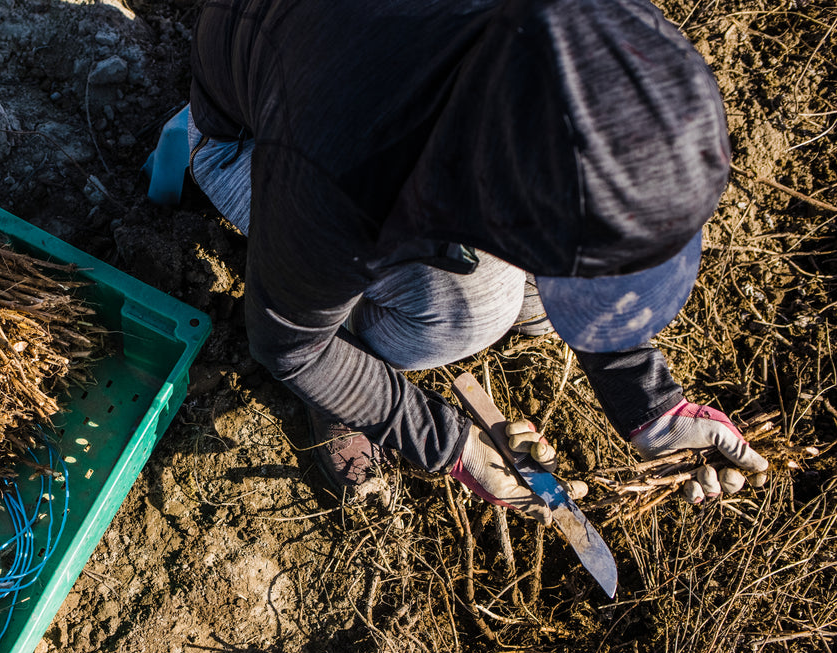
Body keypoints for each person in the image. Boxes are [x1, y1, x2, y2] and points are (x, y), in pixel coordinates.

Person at [178, 0, 769, 519]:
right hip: (247, 136)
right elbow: (288, 345)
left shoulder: (595, 36)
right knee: (477, 308)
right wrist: (449, 444)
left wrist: (649, 402)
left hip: (345, 66)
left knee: (513, 288)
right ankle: (358, 364)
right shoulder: (344, 178)